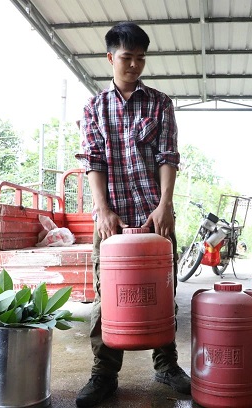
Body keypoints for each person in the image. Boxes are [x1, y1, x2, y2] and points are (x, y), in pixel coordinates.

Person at [74, 21, 190, 407]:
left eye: (141, 58)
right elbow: (93, 161)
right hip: (113, 220)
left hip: (154, 215)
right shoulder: (94, 107)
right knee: (107, 296)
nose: (135, 65)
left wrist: (165, 205)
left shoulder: (160, 103)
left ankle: (166, 365)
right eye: (127, 57)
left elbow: (168, 156)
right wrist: (103, 211)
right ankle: (104, 374)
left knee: (163, 291)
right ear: (110, 58)